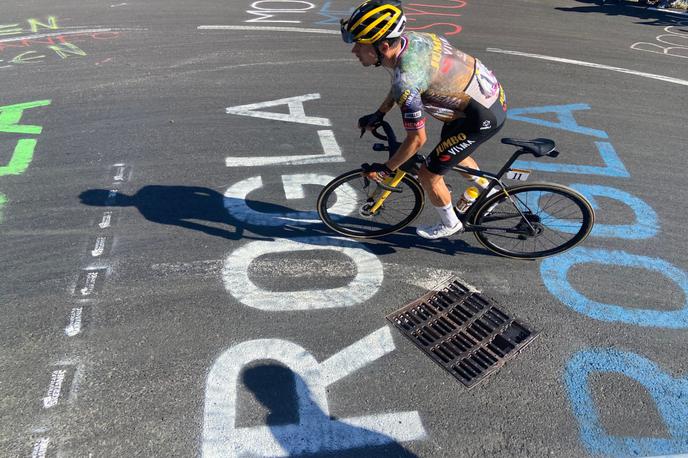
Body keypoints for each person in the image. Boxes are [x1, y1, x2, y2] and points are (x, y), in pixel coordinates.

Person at [341, 0, 508, 239]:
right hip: (484, 99)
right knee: (449, 151)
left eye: (359, 45)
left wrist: (388, 169)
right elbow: (404, 81)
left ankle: (450, 223)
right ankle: (488, 193)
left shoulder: (406, 81)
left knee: (428, 174)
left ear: (384, 46)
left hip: (481, 115)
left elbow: (417, 139)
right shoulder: (414, 40)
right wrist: (380, 113)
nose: (354, 51)